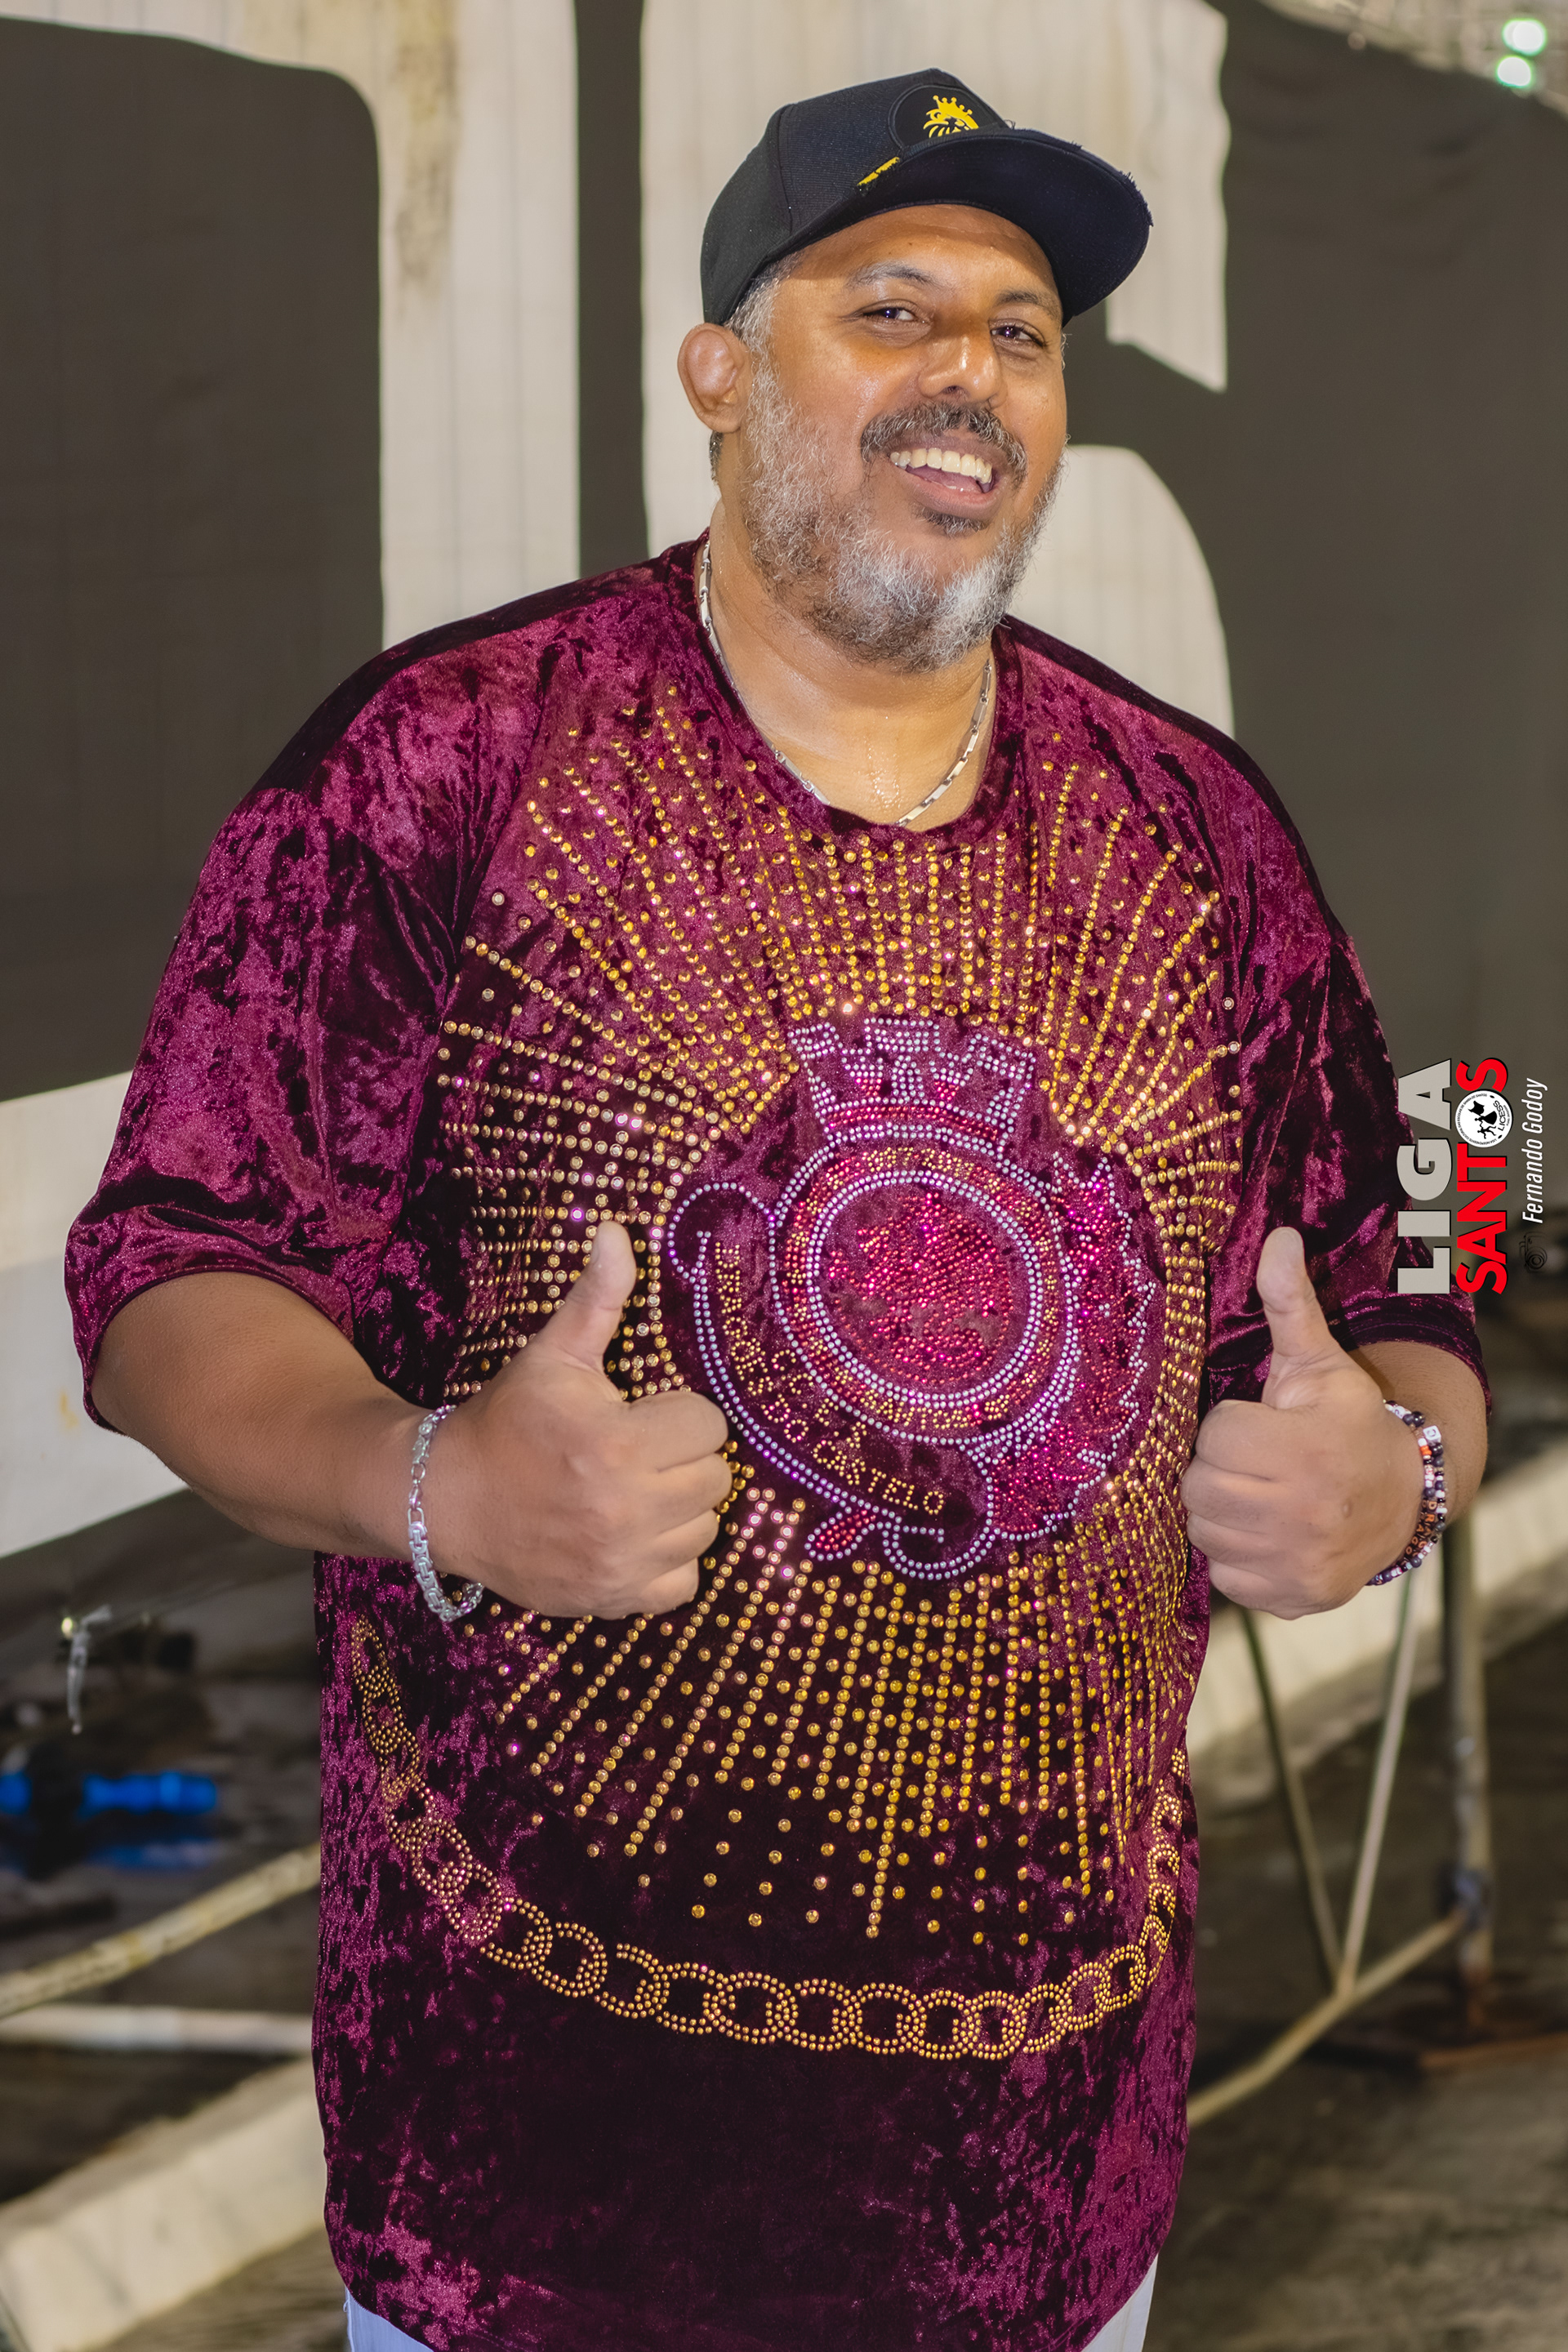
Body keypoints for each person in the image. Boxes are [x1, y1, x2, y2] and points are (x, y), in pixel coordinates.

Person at [68, 69, 1485, 2352]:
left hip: (1054, 2186)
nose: (970, 375)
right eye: (889, 308)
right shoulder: (448, 761)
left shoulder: (1198, 831)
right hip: (544, 2188)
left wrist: (1399, 1471)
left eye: (1021, 332)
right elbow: (172, 1270)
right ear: (719, 371)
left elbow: (1416, 1288)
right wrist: (436, 1481)